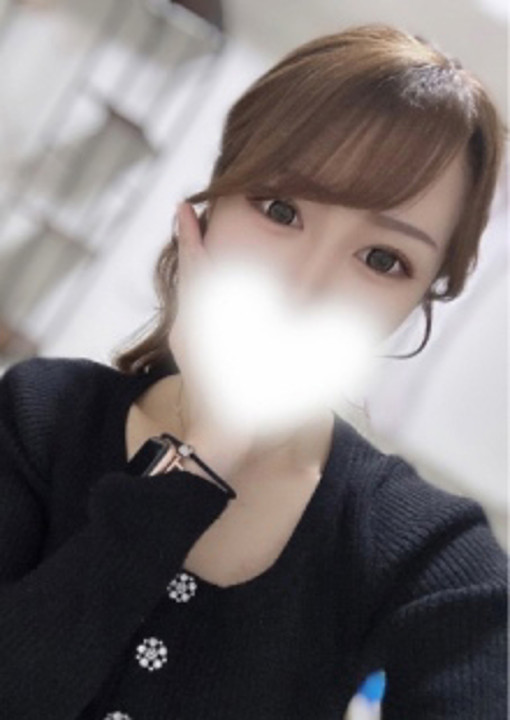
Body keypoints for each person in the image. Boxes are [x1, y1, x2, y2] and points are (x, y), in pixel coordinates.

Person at [0, 22, 507, 720]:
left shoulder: (429, 554)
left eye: (383, 259)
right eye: (281, 209)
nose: (306, 285)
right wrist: (207, 451)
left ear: (419, 300)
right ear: (210, 205)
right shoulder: (40, 417)